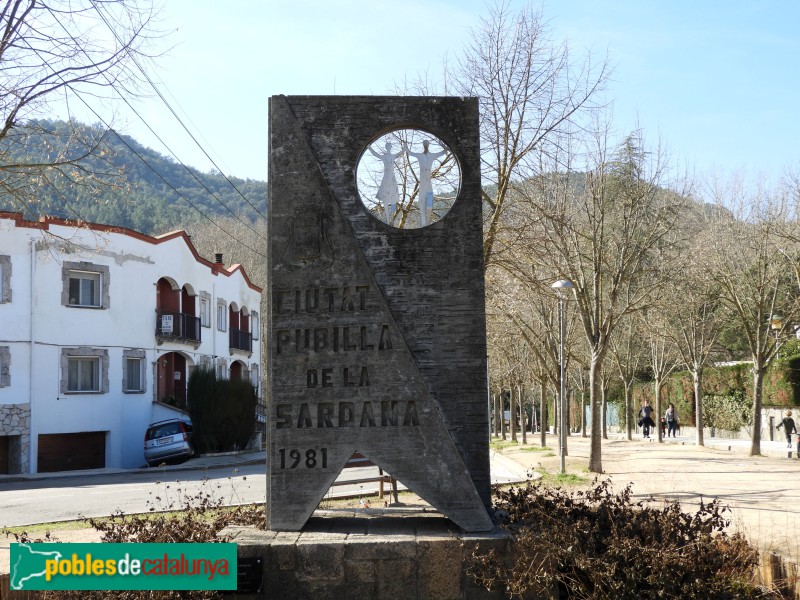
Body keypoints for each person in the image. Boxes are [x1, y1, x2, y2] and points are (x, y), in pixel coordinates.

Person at [404, 139, 446, 227]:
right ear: (423, 145)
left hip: (428, 182)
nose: (425, 145)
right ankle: (424, 224)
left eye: (426, 144)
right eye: (424, 144)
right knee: (421, 202)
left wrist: (445, 147)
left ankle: (427, 223)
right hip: (422, 183)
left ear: (428, 145)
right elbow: (410, 153)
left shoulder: (432, 155)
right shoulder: (419, 155)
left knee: (429, 204)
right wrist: (405, 146)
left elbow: (442, 152)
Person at [368, 141, 403, 224]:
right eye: (388, 146)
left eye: (390, 146)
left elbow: (400, 153)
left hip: (392, 177)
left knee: (394, 198)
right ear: (386, 147)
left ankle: (392, 219)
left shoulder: (393, 156)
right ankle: (387, 219)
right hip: (387, 177)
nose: (389, 147)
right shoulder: (384, 156)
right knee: (385, 199)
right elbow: (375, 154)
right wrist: (370, 148)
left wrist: (405, 148)